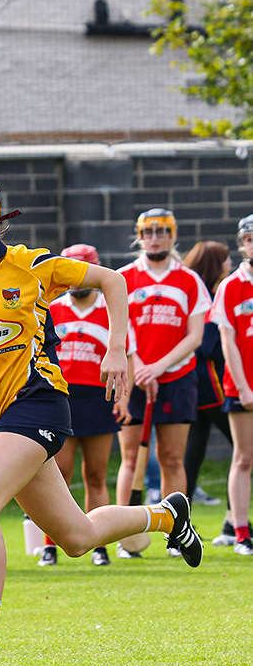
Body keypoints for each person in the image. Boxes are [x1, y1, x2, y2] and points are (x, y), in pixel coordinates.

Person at [0, 176, 202, 666]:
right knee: (76, 537)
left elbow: (114, 280)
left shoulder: (31, 265)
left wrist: (117, 349)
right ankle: (168, 516)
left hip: (38, 401)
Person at [115, 208, 211, 559]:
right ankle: (128, 537)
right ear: (139, 235)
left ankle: (177, 533)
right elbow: (120, 330)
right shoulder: (124, 277)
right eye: (148, 231)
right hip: (132, 375)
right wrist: (140, 367)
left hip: (177, 378)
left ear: (173, 235)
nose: (155, 237)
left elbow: (195, 336)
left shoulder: (189, 280)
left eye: (162, 231)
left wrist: (157, 368)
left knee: (172, 459)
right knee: (129, 459)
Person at [40, 243, 128, 567]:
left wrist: (125, 398)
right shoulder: (52, 306)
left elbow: (124, 355)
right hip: (62, 394)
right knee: (58, 473)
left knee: (95, 474)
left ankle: (100, 544)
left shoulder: (109, 307)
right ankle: (49, 544)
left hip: (99, 396)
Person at [210, 215, 253, 555]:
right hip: (243, 387)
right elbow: (228, 342)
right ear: (242, 244)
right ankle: (241, 534)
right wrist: (244, 387)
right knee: (243, 458)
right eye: (249, 239)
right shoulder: (230, 286)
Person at [181, 241, 230, 507]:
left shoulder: (191, 293)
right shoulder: (210, 298)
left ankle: (182, 521)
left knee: (193, 454)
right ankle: (234, 520)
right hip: (212, 386)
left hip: (191, 385)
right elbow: (211, 346)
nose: (230, 265)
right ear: (215, 264)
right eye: (226, 260)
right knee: (244, 450)